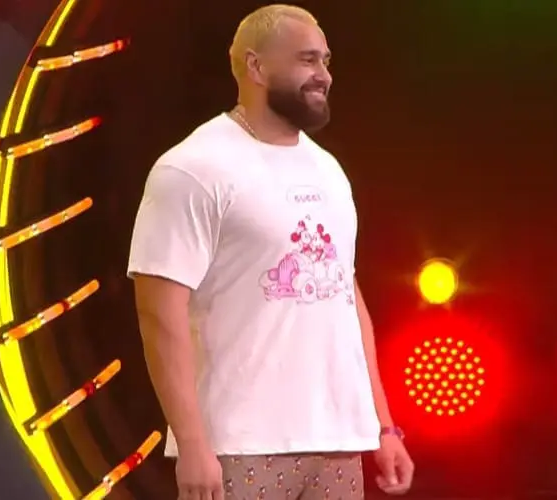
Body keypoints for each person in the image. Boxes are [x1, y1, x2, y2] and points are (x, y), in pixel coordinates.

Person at [128, 4, 414, 499]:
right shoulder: (193, 168)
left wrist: (384, 426)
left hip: (338, 443)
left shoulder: (328, 170)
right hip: (238, 445)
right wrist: (192, 442)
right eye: (307, 60)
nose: (324, 75)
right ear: (255, 67)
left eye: (326, 61)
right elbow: (159, 312)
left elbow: (345, 298)